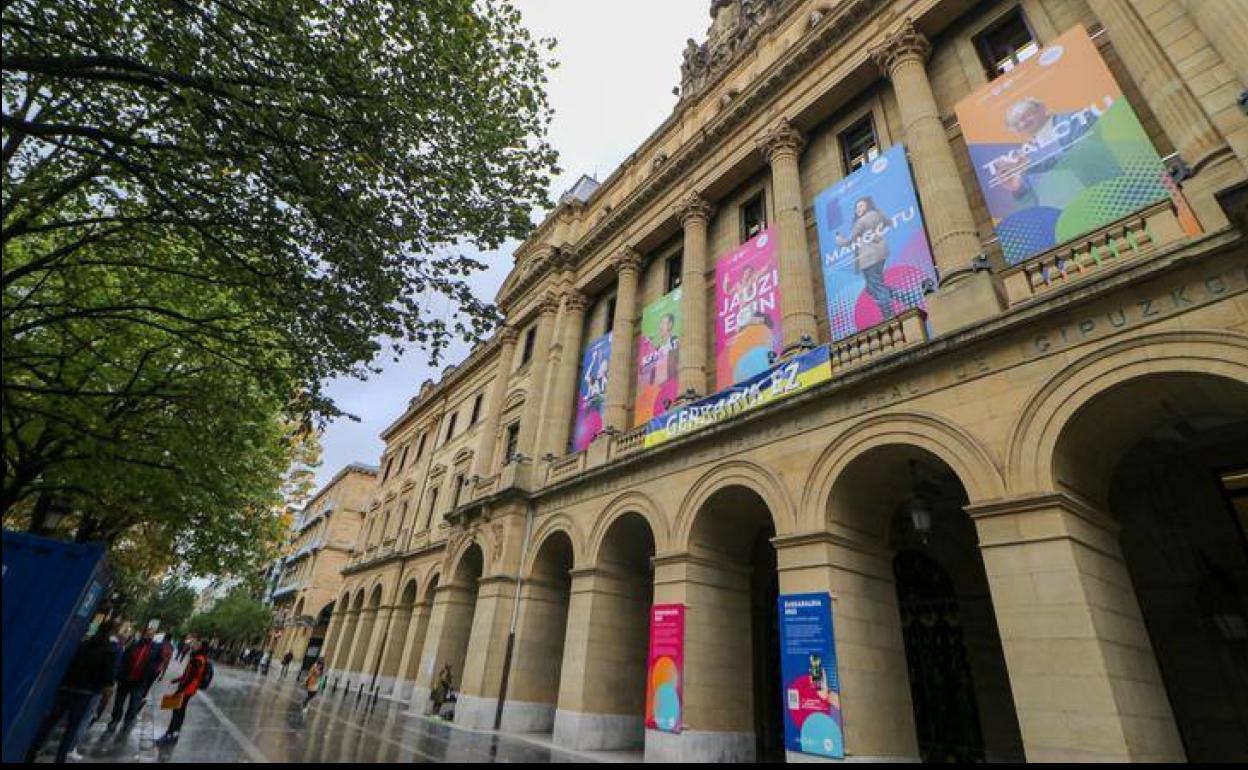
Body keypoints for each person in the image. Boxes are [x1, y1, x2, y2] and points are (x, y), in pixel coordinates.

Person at [24, 621, 120, 763]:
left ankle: (31, 752)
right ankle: (60, 758)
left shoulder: (83, 644)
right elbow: (108, 675)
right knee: (72, 728)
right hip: (86, 692)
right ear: (112, 632)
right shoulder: (110, 650)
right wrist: (105, 690)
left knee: (50, 722)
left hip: (67, 687)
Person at [835, 196, 902, 321]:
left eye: (861, 206)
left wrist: (838, 239)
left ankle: (890, 317)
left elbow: (848, 241)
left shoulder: (860, 222)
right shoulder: (877, 214)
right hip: (881, 254)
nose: (858, 209)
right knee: (872, 287)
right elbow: (890, 222)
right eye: (856, 207)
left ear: (867, 206)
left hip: (868, 258)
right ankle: (902, 296)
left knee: (876, 286)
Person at [105, 629, 164, 734]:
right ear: (143, 634)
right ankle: (115, 720)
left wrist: (151, 676)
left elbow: (158, 663)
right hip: (125, 679)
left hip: (140, 681)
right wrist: (119, 674)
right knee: (119, 702)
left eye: (151, 635)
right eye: (147, 634)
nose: (149, 636)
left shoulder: (156, 649)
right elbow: (124, 658)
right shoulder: (134, 645)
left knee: (134, 704)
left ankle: (127, 722)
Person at [155, 641, 210, 745]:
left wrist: (180, 690)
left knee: (177, 711)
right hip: (190, 688)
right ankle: (175, 732)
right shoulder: (200, 658)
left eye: (197, 645)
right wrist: (177, 680)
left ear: (201, 647)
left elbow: (190, 677)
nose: (193, 646)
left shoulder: (198, 660)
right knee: (180, 711)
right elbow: (188, 675)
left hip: (187, 689)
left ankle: (170, 734)